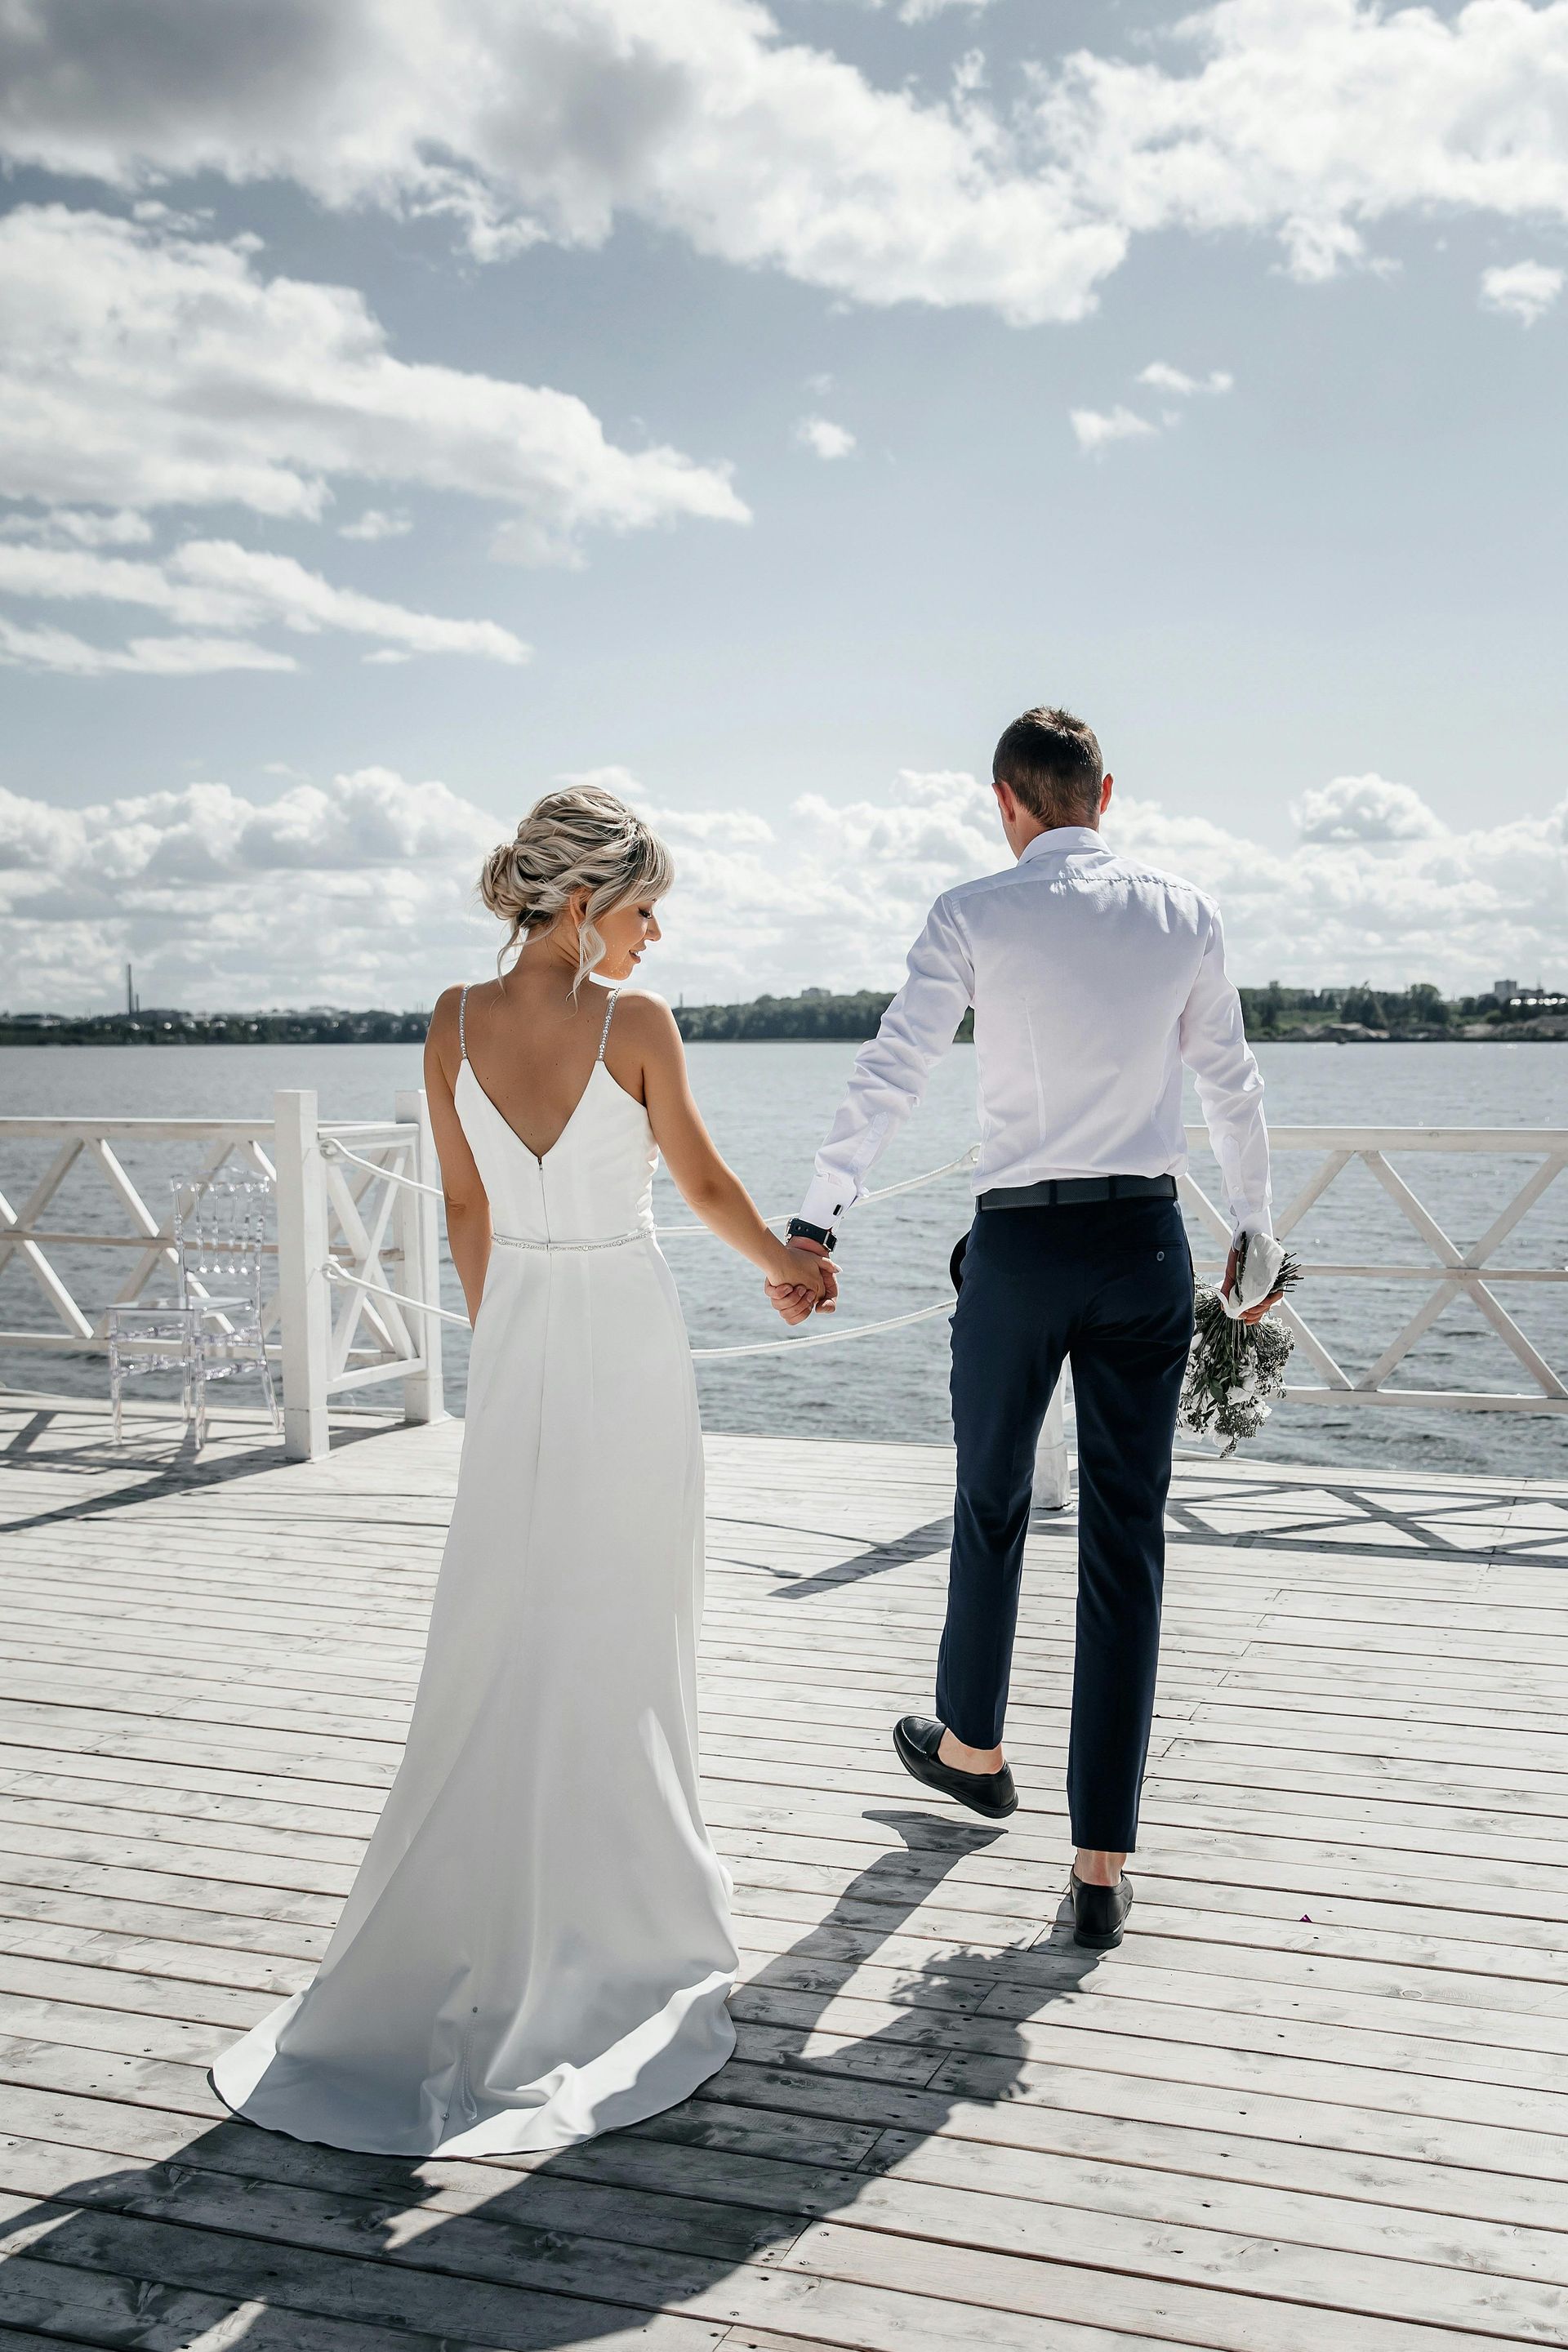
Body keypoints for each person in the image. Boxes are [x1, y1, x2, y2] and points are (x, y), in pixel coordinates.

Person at [212, 782, 829, 2154]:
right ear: (583, 903)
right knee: (625, 1616)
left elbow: (467, 1210)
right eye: (647, 906)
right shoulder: (635, 1025)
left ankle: (493, 1904)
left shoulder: (446, 1022)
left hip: (527, 1340)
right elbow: (710, 1188)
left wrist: (506, 1351)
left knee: (509, 1620)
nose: (657, 936)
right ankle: (619, 1914)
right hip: (625, 1333)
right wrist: (791, 1271)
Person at [771, 706, 1278, 1951]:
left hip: (1022, 1245)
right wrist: (1256, 1232)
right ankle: (1099, 1866)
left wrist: (817, 1220)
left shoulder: (973, 912)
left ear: (1006, 802)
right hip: (1146, 1243)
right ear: (1107, 794)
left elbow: (896, 1066)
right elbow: (1231, 1082)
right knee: (1125, 1539)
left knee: (992, 1499)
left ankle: (974, 1747)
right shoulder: (1185, 910)